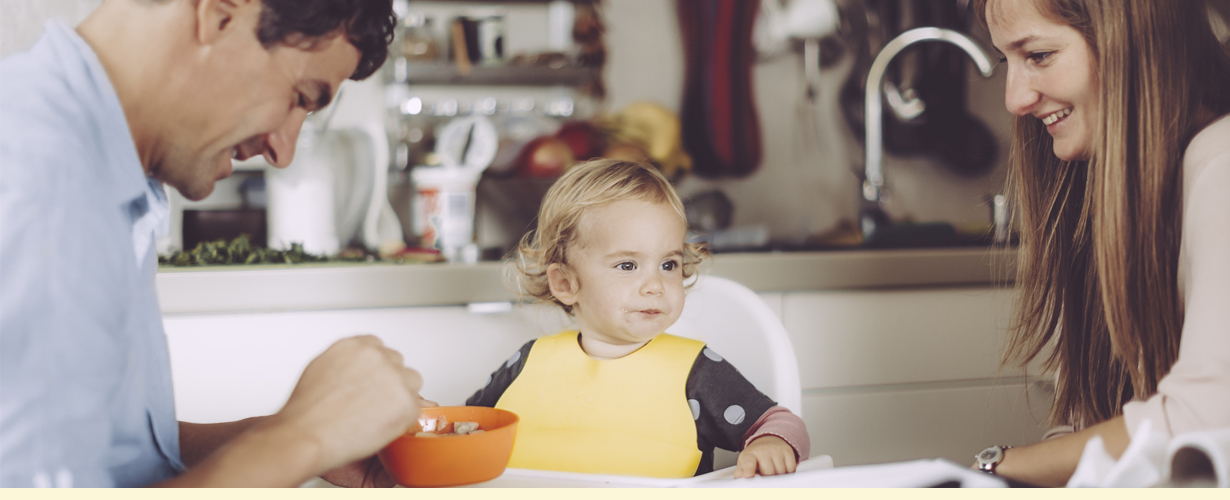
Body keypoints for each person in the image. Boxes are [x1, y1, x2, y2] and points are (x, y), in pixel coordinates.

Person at [0, 0, 424, 487]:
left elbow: (106, 454)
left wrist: (304, 440)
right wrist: (302, 436)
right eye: (299, 97)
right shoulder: (39, 180)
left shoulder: (105, 172)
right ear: (220, 16)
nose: (283, 152)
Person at [972, 0, 1230, 486]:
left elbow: (1204, 421)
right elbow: (1092, 427)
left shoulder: (1222, 163)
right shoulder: (1115, 189)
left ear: (1133, 38)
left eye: (1039, 55)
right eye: (1008, 61)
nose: (1015, 100)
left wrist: (996, 468)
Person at [464, 159, 811, 479]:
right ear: (566, 284)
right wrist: (437, 424)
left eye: (668, 264)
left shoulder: (698, 373)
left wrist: (771, 443)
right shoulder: (527, 363)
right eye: (627, 265)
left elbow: (778, 422)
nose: (655, 285)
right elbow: (466, 427)